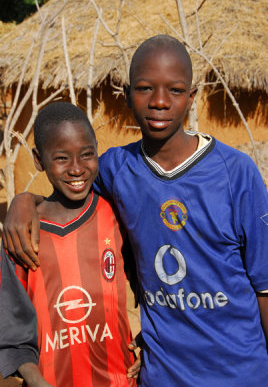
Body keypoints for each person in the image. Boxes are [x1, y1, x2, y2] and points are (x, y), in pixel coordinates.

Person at [3, 35, 268, 386]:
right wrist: (23, 201)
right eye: (145, 88)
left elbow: (264, 287)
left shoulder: (237, 172)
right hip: (160, 374)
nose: (159, 102)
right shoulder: (116, 168)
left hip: (238, 373)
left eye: (174, 90)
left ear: (191, 98)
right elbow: (64, 191)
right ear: (127, 95)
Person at [0, 102, 140, 387]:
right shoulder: (21, 235)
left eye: (87, 155)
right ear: (39, 160)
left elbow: (150, 283)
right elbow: (12, 330)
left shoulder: (115, 215)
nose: (77, 169)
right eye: (62, 158)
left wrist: (149, 339)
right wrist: (34, 379)